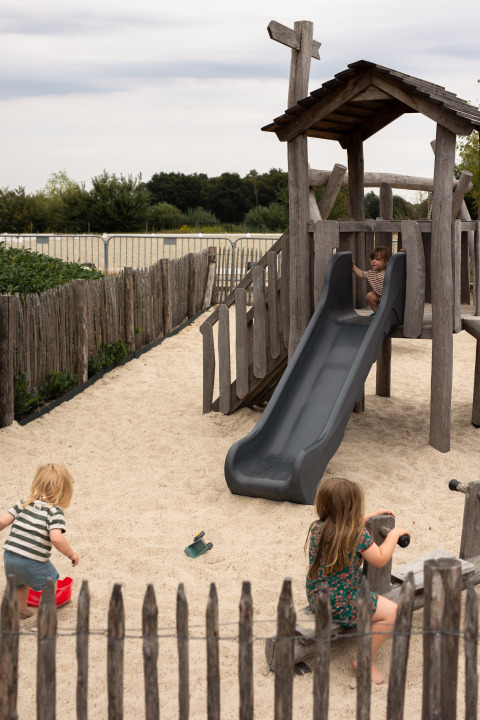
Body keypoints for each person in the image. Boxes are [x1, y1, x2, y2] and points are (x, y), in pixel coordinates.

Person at [305, 477, 410, 684]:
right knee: (392, 613)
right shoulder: (357, 536)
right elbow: (379, 558)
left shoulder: (318, 528)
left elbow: (343, 523)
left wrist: (368, 517)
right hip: (340, 604)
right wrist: (394, 535)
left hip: (316, 597)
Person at [0, 463, 79, 619]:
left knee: (20, 584)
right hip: (32, 560)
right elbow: (56, 538)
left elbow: (2, 522)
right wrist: (71, 554)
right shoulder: (55, 511)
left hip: (10, 557)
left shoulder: (24, 503)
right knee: (51, 584)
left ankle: (21, 611)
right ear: (64, 491)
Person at [352, 245, 392, 315]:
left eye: (377, 259)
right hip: (380, 297)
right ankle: (378, 314)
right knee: (370, 295)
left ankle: (385, 315)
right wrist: (353, 267)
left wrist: (404, 253)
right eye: (372, 259)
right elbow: (362, 274)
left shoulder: (390, 271)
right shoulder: (372, 273)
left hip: (391, 298)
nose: (373, 261)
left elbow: (400, 266)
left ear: (387, 261)